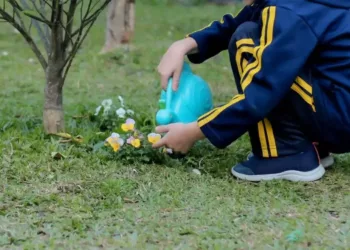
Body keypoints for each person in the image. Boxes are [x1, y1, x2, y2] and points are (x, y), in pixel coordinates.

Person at [152, 0, 350, 182]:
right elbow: (243, 18)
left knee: (246, 41)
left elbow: (261, 93)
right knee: (252, 33)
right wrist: (183, 46)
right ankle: (311, 146)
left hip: (338, 121)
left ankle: (286, 154)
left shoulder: (288, 11)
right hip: (340, 113)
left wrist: (193, 131)